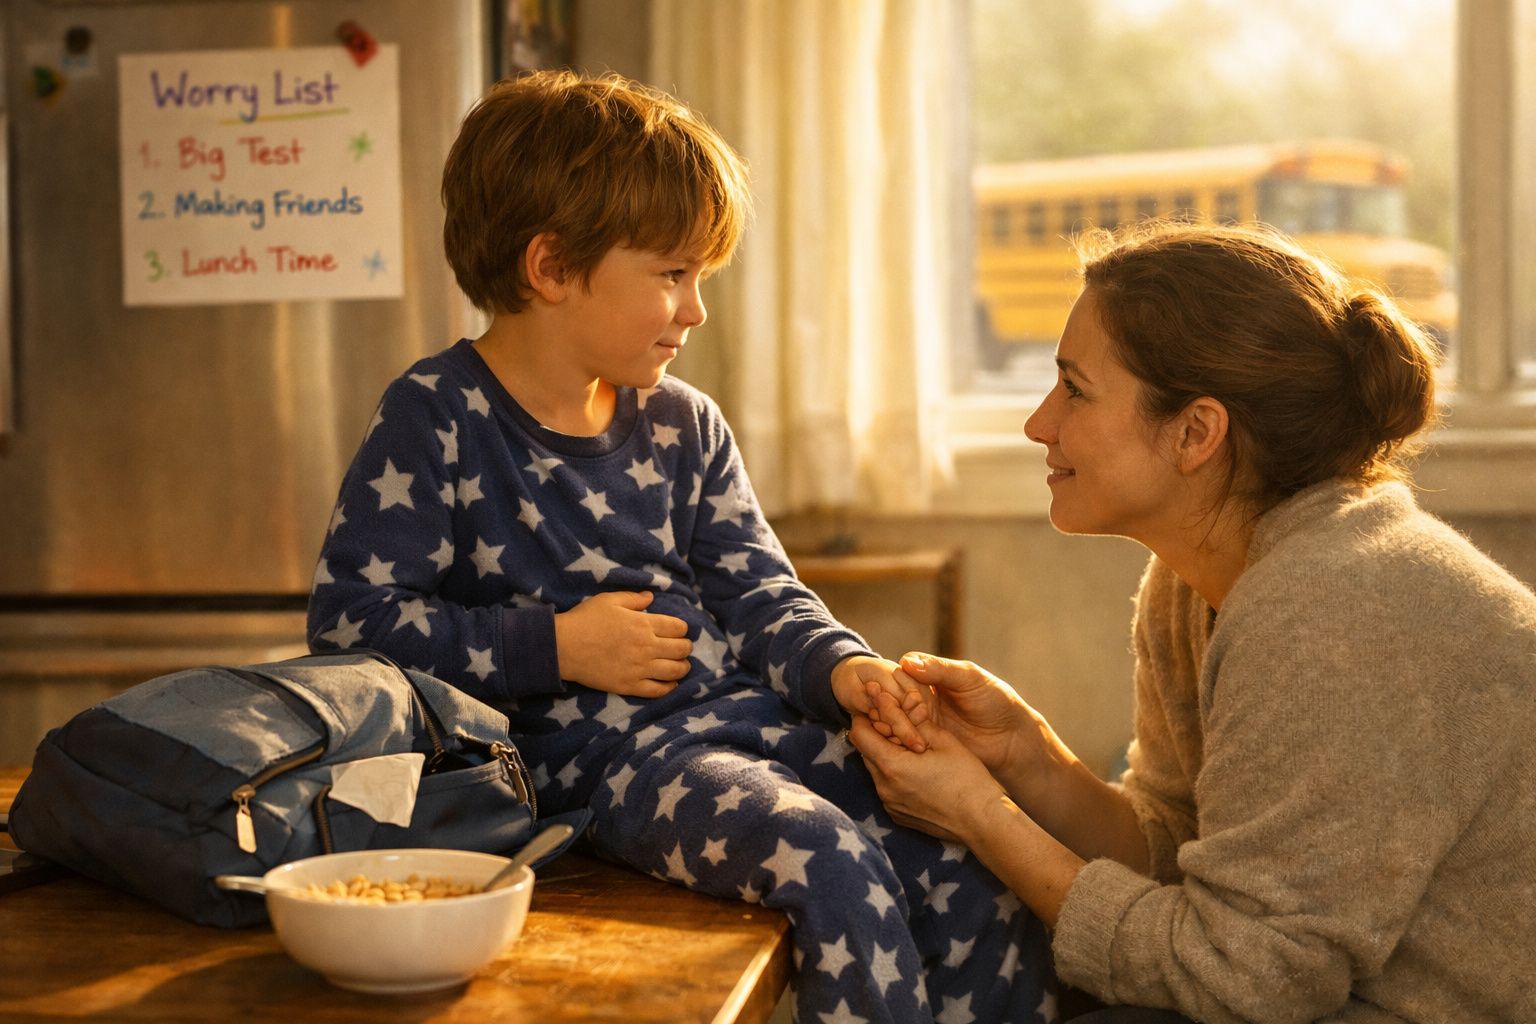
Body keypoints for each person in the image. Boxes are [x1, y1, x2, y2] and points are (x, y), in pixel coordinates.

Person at [307, 70, 1057, 1023]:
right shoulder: (437, 417)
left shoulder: (684, 423)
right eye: (672, 275)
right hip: (600, 766)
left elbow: (762, 594)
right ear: (551, 268)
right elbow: (352, 630)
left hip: (750, 726)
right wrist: (555, 646)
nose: (696, 309)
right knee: (826, 860)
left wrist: (844, 670)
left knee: (971, 856)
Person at [851, 221, 1536, 1023]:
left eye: (1075, 389)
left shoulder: (1332, 606)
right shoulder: (1195, 581)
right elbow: (1179, 845)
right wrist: (1027, 759)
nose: (1039, 423)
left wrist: (978, 812)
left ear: (1195, 433)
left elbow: (1251, 977)